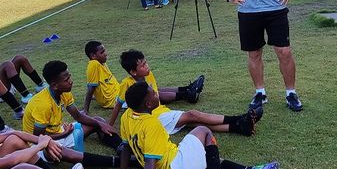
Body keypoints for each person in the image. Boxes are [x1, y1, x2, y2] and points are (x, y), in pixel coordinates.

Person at [101, 82, 276, 169]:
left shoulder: (126, 117)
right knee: (203, 131)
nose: (157, 93)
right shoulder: (151, 124)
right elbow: (149, 161)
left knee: (209, 157)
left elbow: (125, 148)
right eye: (153, 94)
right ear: (148, 104)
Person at [108, 49, 255, 137]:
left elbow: (157, 95)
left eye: (146, 62)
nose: (147, 66)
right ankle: (239, 118)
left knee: (195, 122)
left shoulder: (149, 75)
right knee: (193, 115)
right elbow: (118, 105)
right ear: (133, 71)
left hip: (162, 113)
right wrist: (110, 125)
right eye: (143, 65)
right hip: (153, 120)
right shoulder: (126, 84)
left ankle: (239, 127)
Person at [23, 60, 123, 153]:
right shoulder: (42, 104)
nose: (71, 81)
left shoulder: (64, 92)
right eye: (66, 80)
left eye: (69, 77)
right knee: (69, 154)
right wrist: (64, 134)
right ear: (54, 85)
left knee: (98, 120)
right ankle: (116, 160)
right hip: (41, 145)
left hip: (59, 133)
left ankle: (121, 148)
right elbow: (38, 138)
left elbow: (78, 116)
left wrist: (99, 124)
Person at [83, 41, 120, 112]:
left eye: (104, 51)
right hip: (114, 99)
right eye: (102, 52)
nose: (105, 54)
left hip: (119, 91)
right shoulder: (94, 64)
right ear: (93, 56)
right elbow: (91, 88)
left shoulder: (102, 62)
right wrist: (85, 110)